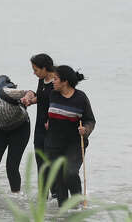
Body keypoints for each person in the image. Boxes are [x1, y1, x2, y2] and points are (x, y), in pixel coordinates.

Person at [44, 65, 95, 207]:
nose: (53, 81)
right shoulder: (53, 94)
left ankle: (77, 203)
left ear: (65, 81)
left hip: (75, 143)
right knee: (59, 178)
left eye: (55, 79)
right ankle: (64, 211)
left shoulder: (80, 98)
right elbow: (53, 113)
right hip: (54, 143)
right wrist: (48, 122)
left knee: (70, 172)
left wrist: (85, 129)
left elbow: (90, 120)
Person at [21, 54, 56, 174]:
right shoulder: (42, 80)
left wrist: (52, 121)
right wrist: (30, 101)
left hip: (53, 128)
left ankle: (56, 192)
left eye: (35, 70)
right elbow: (41, 97)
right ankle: (43, 193)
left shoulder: (57, 82)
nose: (34, 73)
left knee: (52, 165)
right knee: (41, 165)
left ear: (45, 68)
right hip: (40, 127)